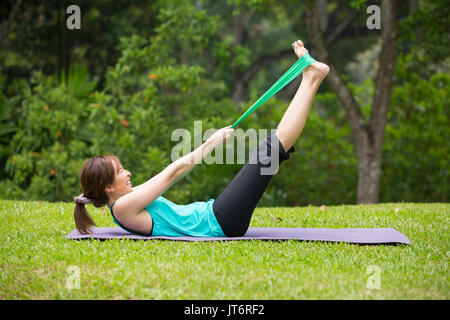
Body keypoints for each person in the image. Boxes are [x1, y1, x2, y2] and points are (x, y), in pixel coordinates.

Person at [73, 40, 329, 237]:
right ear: (108, 186)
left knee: (269, 151)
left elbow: (160, 176)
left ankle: (311, 77)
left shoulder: (125, 201)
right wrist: (211, 143)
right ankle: (312, 78)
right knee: (269, 151)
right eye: (120, 171)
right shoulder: (122, 208)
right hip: (220, 222)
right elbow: (171, 174)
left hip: (215, 214)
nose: (127, 173)